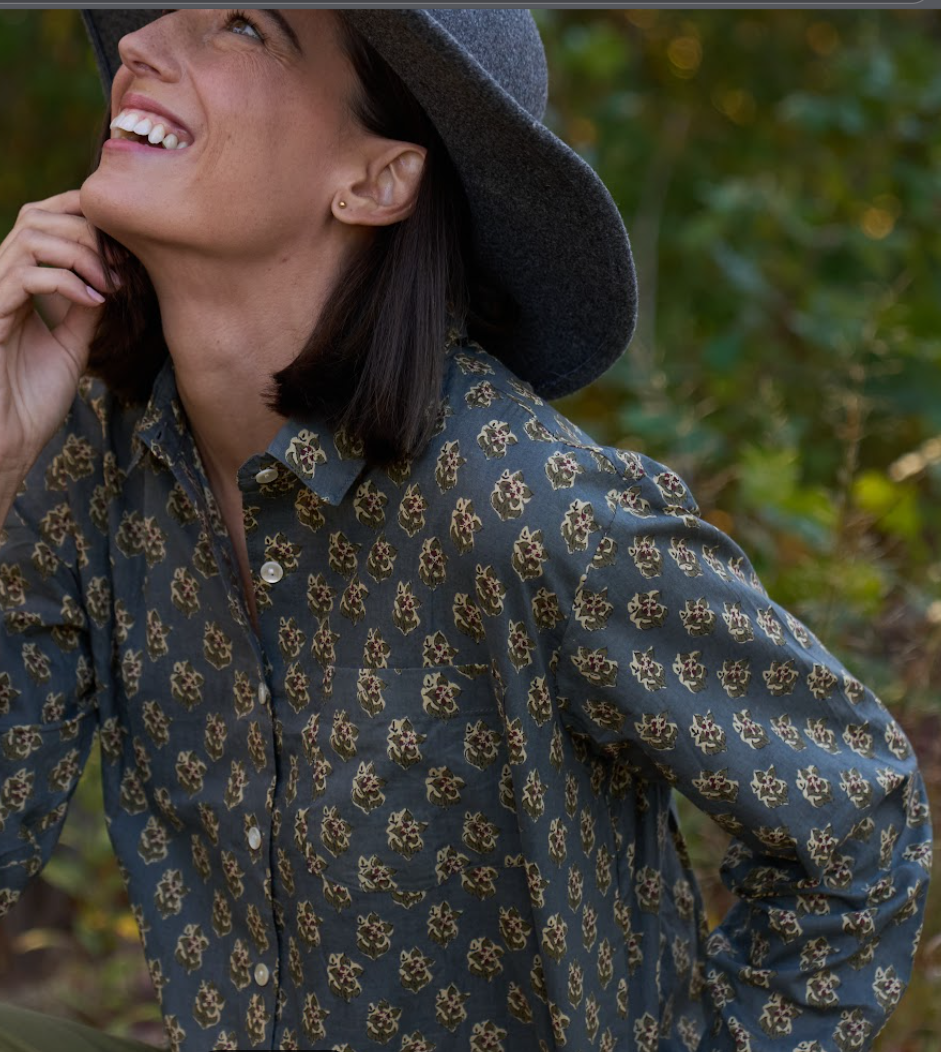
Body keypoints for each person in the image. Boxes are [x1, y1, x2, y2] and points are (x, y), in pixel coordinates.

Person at [0, 9, 930, 1052]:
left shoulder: (537, 512)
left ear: (375, 179)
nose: (142, 42)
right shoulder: (89, 460)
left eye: (245, 25)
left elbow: (860, 820)